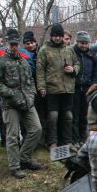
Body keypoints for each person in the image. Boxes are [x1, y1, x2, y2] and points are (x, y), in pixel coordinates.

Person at [0, 29, 43, 179]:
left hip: (27, 102)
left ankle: (24, 158)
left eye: (15, 44)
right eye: (11, 44)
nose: (14, 47)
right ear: (7, 44)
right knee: (12, 136)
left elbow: (30, 80)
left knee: (36, 129)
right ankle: (14, 166)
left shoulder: (24, 61)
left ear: (18, 44)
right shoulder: (0, 62)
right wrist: (11, 94)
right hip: (10, 104)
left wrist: (31, 94)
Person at [36, 23, 79, 152]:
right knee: (53, 116)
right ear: (51, 36)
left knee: (68, 116)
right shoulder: (44, 50)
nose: (57, 38)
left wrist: (73, 69)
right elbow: (40, 70)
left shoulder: (69, 49)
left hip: (68, 89)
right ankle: (52, 142)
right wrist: (41, 87)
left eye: (59, 36)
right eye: (55, 36)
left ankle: (68, 142)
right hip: (52, 89)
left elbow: (77, 63)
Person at [72, 31, 97, 145]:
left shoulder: (92, 55)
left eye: (86, 43)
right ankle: (75, 140)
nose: (84, 45)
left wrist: (93, 84)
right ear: (77, 42)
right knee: (74, 116)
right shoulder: (71, 53)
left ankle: (83, 139)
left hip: (87, 89)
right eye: (82, 43)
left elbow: (96, 71)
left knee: (84, 115)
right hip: (74, 89)